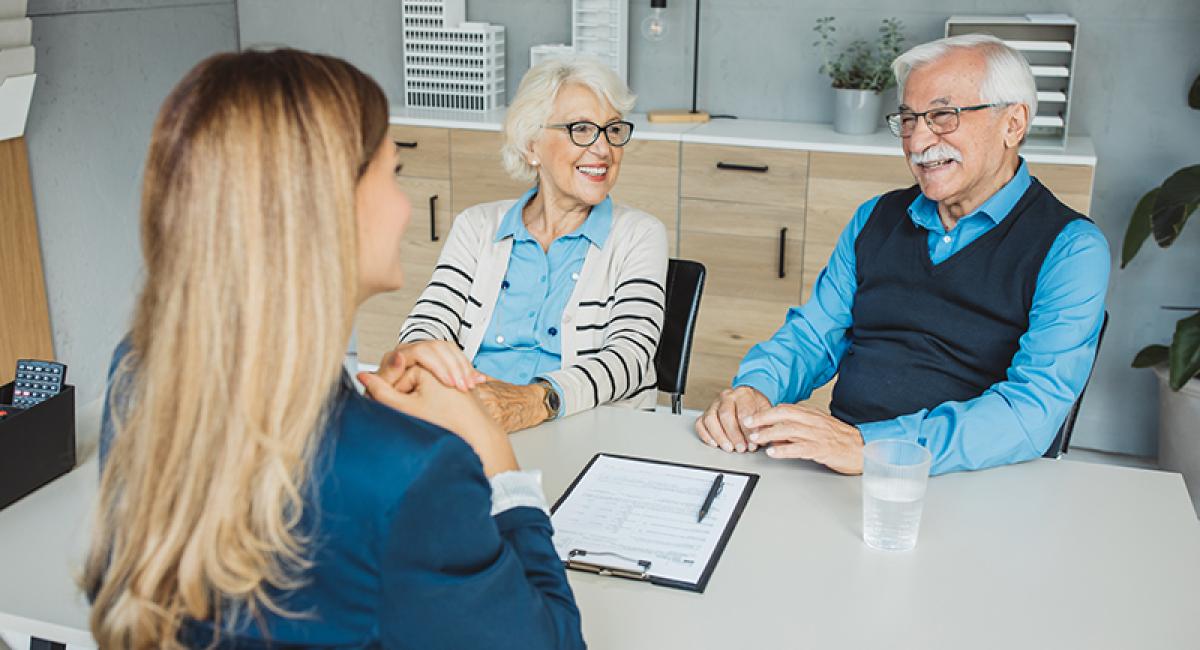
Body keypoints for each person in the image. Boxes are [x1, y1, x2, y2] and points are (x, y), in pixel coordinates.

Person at [83, 49, 585, 650]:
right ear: (328, 207)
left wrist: (359, 397)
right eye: (393, 174)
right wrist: (496, 460)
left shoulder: (135, 380)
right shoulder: (417, 473)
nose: (404, 209)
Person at [694, 34, 1109, 476]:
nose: (917, 142)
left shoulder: (1071, 249)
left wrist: (869, 446)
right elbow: (814, 336)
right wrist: (755, 389)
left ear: (1013, 124)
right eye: (909, 119)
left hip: (974, 479)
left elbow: (1030, 412)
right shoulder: (875, 218)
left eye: (943, 116)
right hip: (845, 468)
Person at [390, 54, 668, 433]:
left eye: (612, 130)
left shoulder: (640, 234)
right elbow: (427, 324)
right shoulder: (477, 225)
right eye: (582, 129)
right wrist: (422, 363)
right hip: (472, 422)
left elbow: (631, 357)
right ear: (531, 145)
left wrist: (536, 401)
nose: (604, 149)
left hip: (585, 430)